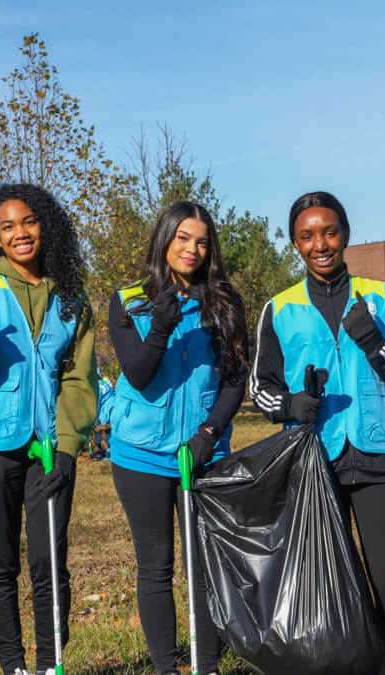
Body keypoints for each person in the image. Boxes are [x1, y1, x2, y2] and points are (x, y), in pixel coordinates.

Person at [249, 190, 385, 675]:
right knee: (331, 580)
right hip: (311, 461)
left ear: (344, 233)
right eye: (307, 236)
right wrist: (291, 404)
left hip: (374, 453)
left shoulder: (382, 298)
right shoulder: (278, 309)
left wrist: (373, 344)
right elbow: (258, 390)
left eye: (329, 232)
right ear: (295, 244)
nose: (320, 244)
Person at [0, 183, 98, 675]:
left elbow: (79, 377)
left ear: (45, 225)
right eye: (7, 226)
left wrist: (70, 447)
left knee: (49, 560)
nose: (19, 233)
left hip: (49, 446)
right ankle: (13, 666)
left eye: (28, 222)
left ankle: (51, 664)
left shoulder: (71, 297)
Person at [108, 201, 248, 675]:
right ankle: (168, 669)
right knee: (156, 568)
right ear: (165, 238)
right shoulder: (129, 300)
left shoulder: (224, 301)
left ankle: (205, 667)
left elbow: (235, 380)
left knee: (204, 569)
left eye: (202, 241)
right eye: (183, 237)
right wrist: (162, 326)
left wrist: (210, 432)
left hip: (202, 454)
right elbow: (140, 374)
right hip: (141, 455)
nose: (192, 249)